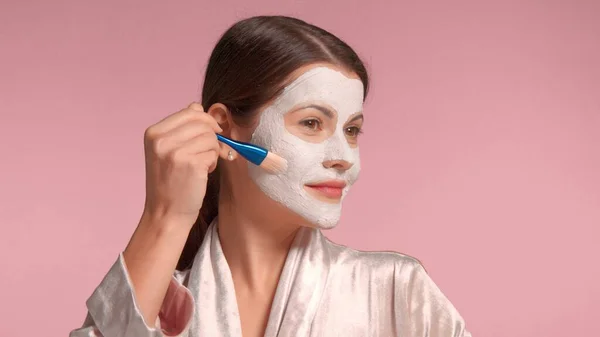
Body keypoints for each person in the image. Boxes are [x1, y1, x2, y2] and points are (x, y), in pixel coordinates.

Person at [69, 15, 471, 337]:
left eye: (351, 130)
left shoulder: (396, 290)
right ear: (225, 129)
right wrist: (166, 215)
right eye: (311, 123)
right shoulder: (157, 303)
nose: (342, 157)